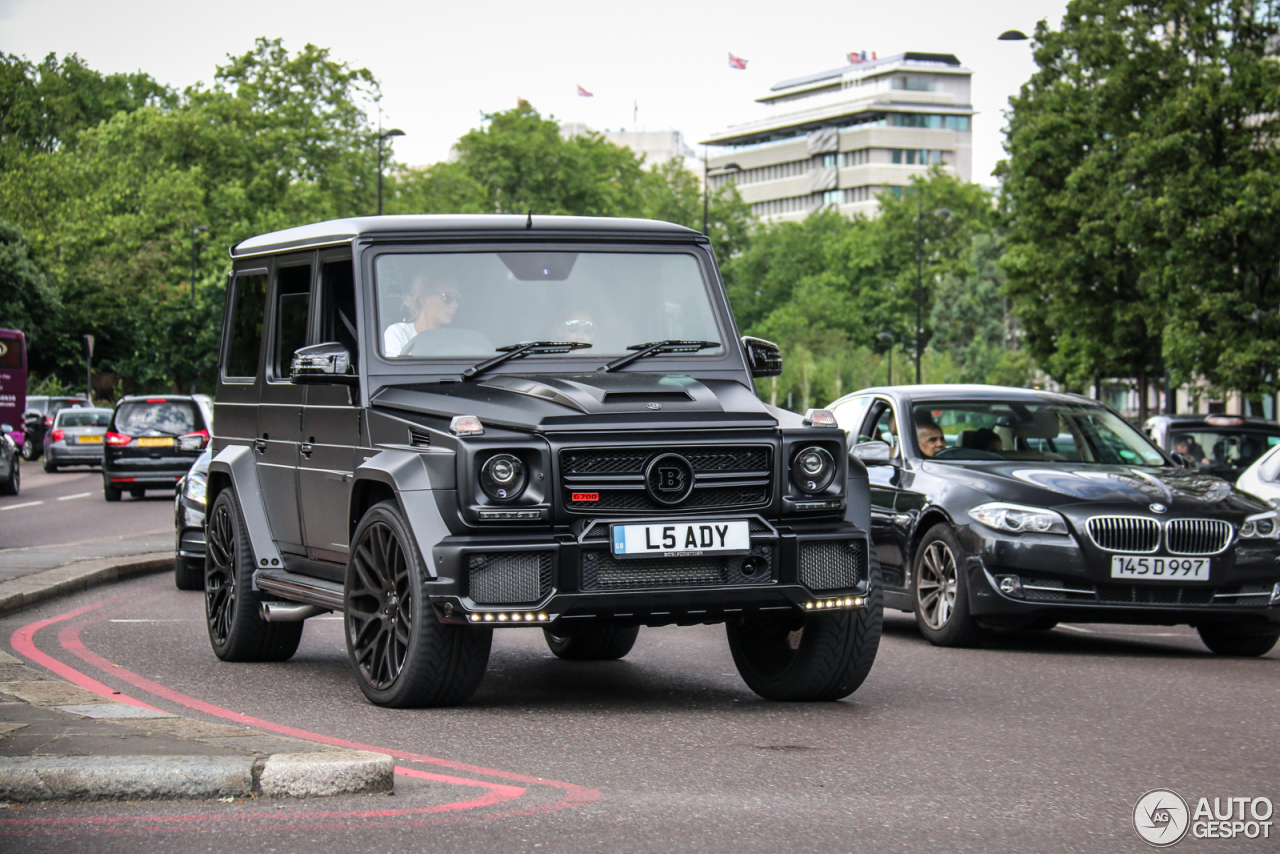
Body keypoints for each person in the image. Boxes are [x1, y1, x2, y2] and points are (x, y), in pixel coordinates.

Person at [383, 273, 461, 356]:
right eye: (448, 297)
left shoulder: (454, 341)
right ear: (423, 297)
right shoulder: (399, 332)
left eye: (458, 299)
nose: (455, 305)